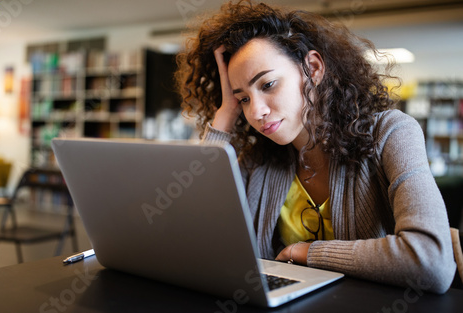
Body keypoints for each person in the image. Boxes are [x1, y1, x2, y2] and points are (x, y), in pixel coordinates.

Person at [175, 0, 456, 293]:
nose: (256, 111)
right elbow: (192, 240)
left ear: (313, 68)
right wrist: (225, 116)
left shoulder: (392, 132)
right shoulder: (257, 161)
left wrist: (307, 252)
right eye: (244, 98)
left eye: (268, 85)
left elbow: (431, 260)